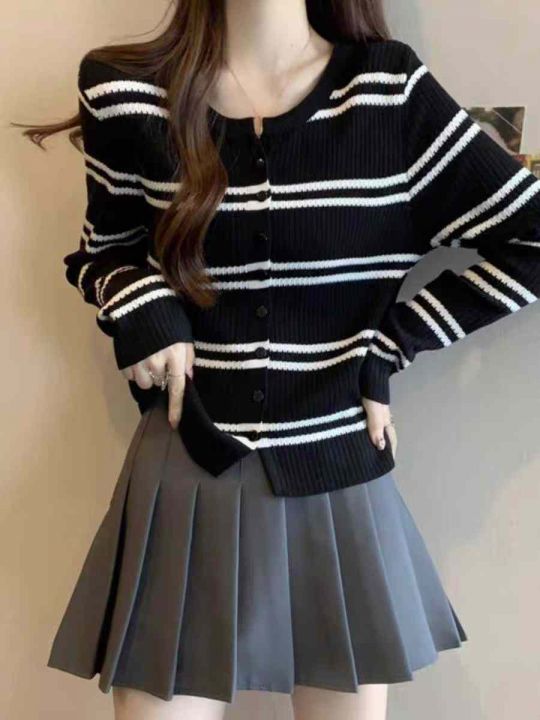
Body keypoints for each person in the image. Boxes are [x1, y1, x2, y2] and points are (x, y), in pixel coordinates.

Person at [19, 0, 540, 718]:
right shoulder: (125, 92)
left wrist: (392, 345)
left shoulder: (388, 91)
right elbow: (102, 253)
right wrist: (145, 307)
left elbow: (530, 239)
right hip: (185, 463)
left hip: (339, 472)